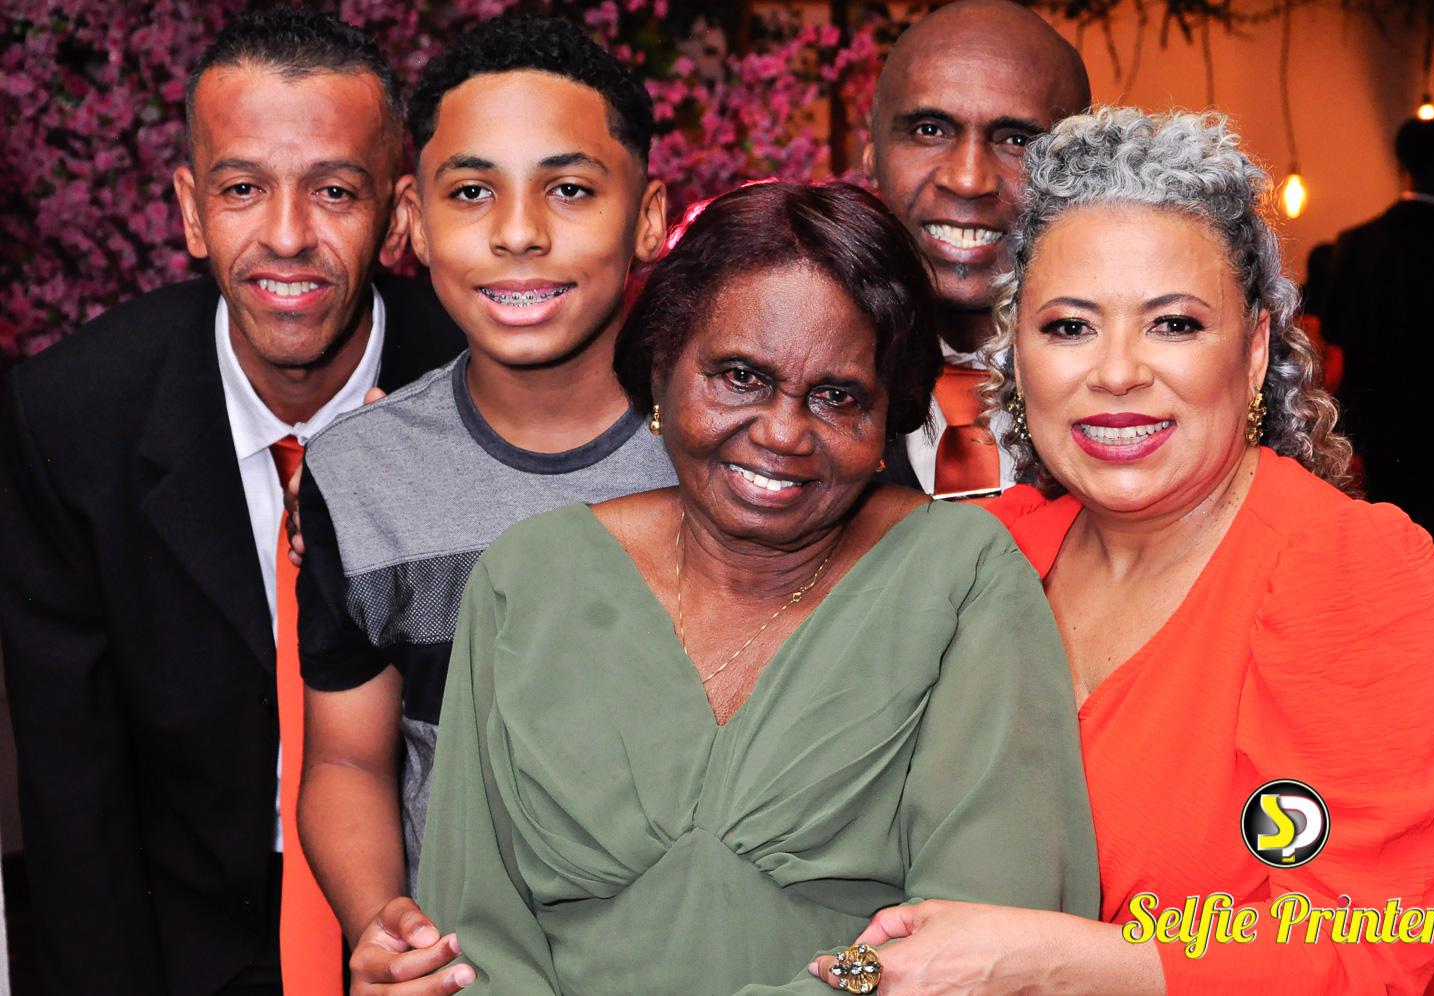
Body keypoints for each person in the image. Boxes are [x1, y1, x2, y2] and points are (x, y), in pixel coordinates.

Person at [812, 108, 1434, 994]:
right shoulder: (992, 554)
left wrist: (1042, 964)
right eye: (1069, 327)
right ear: (1017, 360)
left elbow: (1370, 954)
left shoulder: (1343, 573)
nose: (1117, 371)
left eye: (1173, 324)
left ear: (1252, 354)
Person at [415, 179, 1100, 993]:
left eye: (838, 397)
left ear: (888, 417)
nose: (783, 433)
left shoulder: (960, 581)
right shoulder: (530, 578)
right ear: (662, 367)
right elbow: (473, 934)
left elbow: (979, 941)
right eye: (741, 376)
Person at [0, 9, 464, 994]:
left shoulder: (486, 396)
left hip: (453, 935)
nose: (287, 237)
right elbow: (78, 804)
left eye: (334, 191)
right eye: (243, 188)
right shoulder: (69, 421)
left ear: (397, 215)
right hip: (187, 943)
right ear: (190, 210)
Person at [294, 14, 676, 993]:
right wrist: (379, 919)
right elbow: (348, 760)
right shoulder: (361, 475)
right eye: (471, 192)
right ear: (413, 222)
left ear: (647, 217)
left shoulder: (735, 454)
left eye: (570, 189)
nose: (517, 232)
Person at [864, 0, 1091, 497]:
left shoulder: (1128, 383)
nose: (968, 180)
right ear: (872, 153)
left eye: (1017, 141)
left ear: (1081, 172)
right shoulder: (812, 373)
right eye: (929, 130)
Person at [1323, 116, 1434, 696]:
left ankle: (1391, 693)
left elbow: (1337, 349)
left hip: (1381, 450)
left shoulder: (1355, 247)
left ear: (1401, 167)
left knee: (1386, 590)